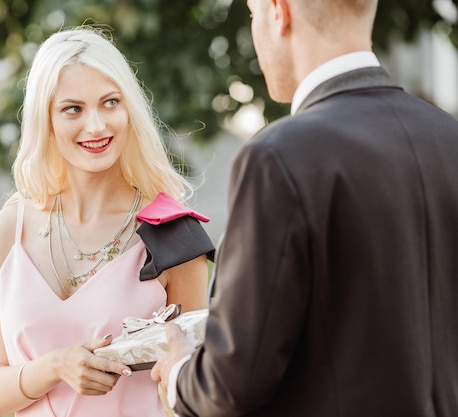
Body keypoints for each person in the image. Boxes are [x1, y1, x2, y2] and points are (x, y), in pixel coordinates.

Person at [152, 0, 458, 415]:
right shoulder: (448, 138)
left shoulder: (277, 158)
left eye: (252, 13)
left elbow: (232, 382)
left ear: (278, 11)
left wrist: (178, 375)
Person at [0, 26, 215, 417]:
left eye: (110, 103)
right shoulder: (9, 229)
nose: (96, 126)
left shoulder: (173, 233)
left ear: (129, 110)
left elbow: (194, 391)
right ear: (46, 119)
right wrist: (56, 367)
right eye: (73, 108)